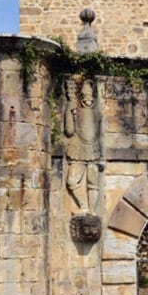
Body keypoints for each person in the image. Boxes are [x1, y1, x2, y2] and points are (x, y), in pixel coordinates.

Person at [65, 79, 101, 214]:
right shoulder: (76, 111)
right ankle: (83, 205)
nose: (88, 99)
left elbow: (100, 135)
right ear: (80, 98)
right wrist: (69, 109)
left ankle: (92, 211)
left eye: (90, 96)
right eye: (85, 96)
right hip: (78, 148)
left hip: (94, 150)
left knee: (93, 183)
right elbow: (69, 131)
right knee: (71, 181)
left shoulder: (98, 114)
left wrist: (102, 156)